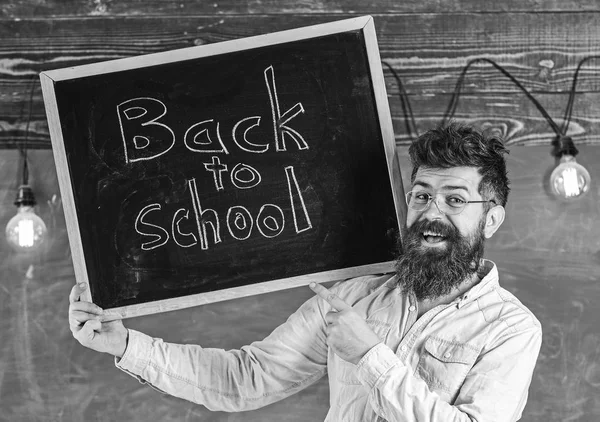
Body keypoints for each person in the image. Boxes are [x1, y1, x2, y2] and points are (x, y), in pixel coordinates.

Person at [69, 122, 542, 421]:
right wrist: (126, 345)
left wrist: (369, 354)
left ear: (492, 219)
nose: (431, 212)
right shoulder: (351, 299)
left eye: (455, 199)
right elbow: (246, 377)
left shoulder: (511, 330)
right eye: (421, 195)